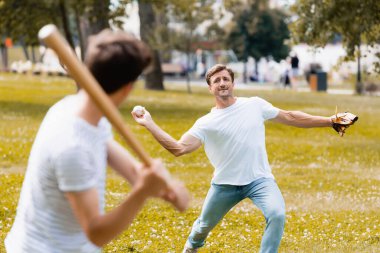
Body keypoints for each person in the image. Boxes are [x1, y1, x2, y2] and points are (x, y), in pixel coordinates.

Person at [132, 64, 349, 253]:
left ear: (233, 83)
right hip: (225, 185)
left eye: (226, 78)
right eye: (217, 80)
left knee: (277, 214)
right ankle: (192, 246)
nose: (222, 83)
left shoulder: (254, 104)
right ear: (210, 88)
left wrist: (330, 121)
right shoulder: (206, 122)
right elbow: (178, 149)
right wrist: (149, 124)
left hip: (259, 181)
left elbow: (290, 116)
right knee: (203, 226)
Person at [5, 30, 188, 252]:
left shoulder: (78, 111)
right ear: (128, 88)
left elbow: (131, 168)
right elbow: (95, 232)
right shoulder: (72, 147)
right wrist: (141, 192)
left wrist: (165, 189)